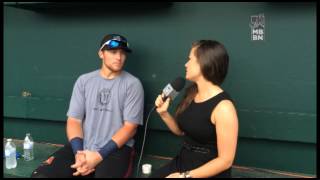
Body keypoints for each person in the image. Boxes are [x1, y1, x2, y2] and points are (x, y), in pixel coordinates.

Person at [31, 34, 144, 178]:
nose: (119, 57)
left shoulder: (133, 84)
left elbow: (130, 128)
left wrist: (98, 156)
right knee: (41, 175)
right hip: (84, 145)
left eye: (123, 53)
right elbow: (74, 121)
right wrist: (79, 153)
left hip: (116, 149)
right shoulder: (84, 81)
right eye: (113, 52)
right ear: (101, 53)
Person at [151, 40, 238, 178]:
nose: (186, 64)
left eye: (190, 59)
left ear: (204, 63)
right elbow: (181, 132)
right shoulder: (192, 93)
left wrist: (184, 176)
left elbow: (225, 161)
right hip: (184, 161)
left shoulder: (224, 108)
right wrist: (164, 114)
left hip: (207, 171)